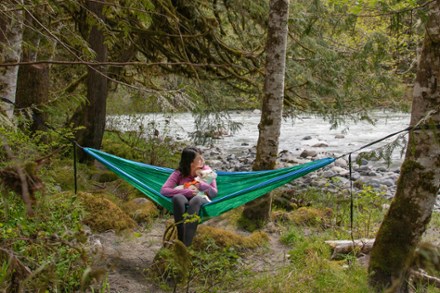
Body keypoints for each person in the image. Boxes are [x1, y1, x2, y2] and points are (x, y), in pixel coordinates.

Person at [160, 146, 218, 246]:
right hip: (185, 197)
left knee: (195, 200)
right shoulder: (179, 173)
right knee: (177, 198)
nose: (202, 160)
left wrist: (202, 186)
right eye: (199, 159)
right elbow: (164, 190)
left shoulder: (207, 171)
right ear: (191, 163)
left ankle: (186, 245)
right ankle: (180, 241)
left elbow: (214, 193)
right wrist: (186, 192)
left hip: (202, 199)